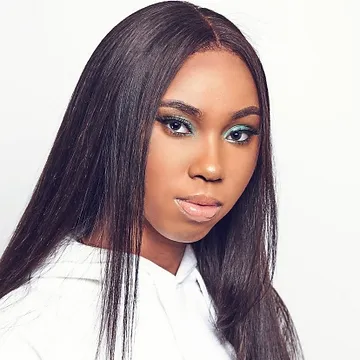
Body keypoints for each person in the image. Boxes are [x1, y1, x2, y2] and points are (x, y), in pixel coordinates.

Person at [0, 1, 303, 359]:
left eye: (238, 134)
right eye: (177, 125)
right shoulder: (26, 330)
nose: (212, 168)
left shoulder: (249, 313)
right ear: (111, 124)